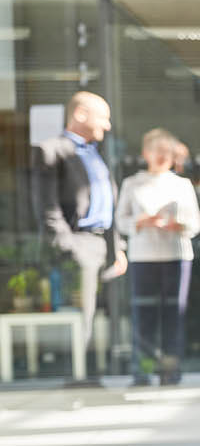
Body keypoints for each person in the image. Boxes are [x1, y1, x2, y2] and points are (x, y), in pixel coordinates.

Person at [32, 91, 127, 371]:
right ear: (80, 114)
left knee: (104, 316)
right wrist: (68, 245)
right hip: (79, 244)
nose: (108, 126)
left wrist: (117, 247)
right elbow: (46, 206)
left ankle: (97, 374)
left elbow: (109, 204)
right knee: (82, 315)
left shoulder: (96, 155)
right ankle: (78, 379)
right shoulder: (50, 150)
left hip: (104, 244)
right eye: (103, 118)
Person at [115, 129, 200, 386]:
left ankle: (170, 371)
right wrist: (140, 222)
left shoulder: (182, 185)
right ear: (146, 153)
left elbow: (195, 224)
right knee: (144, 315)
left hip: (176, 256)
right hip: (144, 257)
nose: (163, 156)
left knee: (174, 314)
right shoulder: (132, 184)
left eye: (167, 151)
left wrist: (180, 225)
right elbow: (120, 222)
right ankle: (142, 371)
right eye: (158, 151)